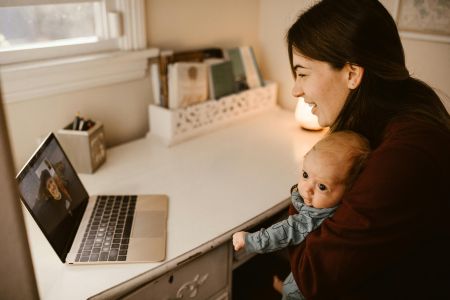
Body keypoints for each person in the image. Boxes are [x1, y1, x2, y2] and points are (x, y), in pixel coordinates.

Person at [282, 0, 450, 299]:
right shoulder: (406, 109)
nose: (296, 89)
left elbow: (312, 276)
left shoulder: (405, 155)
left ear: (351, 73)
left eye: (303, 73)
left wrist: (306, 188)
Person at [232, 131, 370, 299]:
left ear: (350, 190)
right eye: (305, 175)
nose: (307, 188)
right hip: (320, 273)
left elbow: (284, 232)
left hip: (308, 289)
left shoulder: (314, 216)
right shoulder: (336, 206)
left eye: (322, 187)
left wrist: (249, 241)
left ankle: (287, 293)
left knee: (295, 290)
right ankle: (286, 288)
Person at [34, 169, 73, 235]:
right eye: (49, 187)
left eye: (51, 182)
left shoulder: (65, 187)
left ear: (54, 181)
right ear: (48, 191)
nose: (52, 187)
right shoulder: (52, 206)